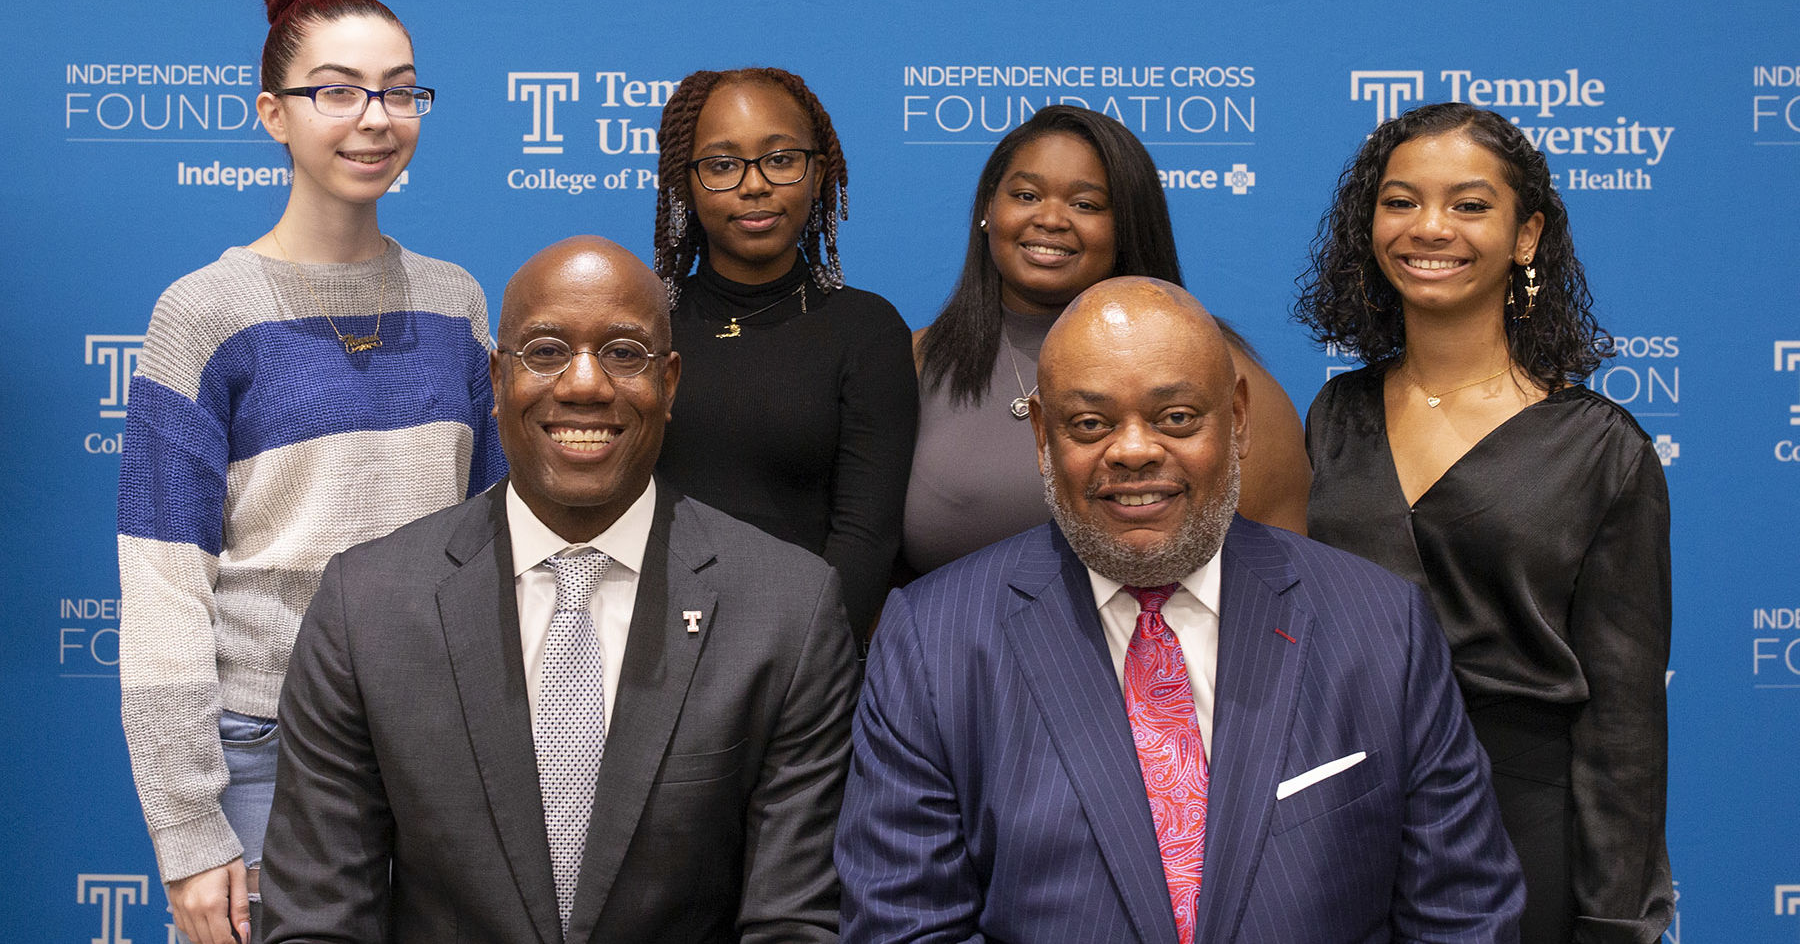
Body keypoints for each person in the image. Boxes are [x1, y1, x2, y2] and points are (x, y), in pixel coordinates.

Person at [839, 276, 1523, 943]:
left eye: (1175, 417)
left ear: (1240, 419)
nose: (1134, 450)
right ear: (1043, 435)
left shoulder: (1382, 627)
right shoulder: (933, 643)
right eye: (1090, 422)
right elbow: (905, 923)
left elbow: (1464, 914)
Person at [260, 236, 859, 943]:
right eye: (545, 351)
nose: (583, 384)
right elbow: (318, 920)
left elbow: (792, 922)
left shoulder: (787, 610)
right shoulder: (367, 606)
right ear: (495, 378)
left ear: (669, 383)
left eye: (623, 353)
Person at [115, 0, 504, 944]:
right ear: (273, 113)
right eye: (338, 93)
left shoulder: (457, 302)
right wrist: (190, 832)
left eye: (400, 92)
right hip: (264, 751)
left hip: (438, 744)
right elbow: (163, 585)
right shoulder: (202, 313)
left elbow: (497, 543)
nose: (377, 119)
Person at [1294, 102, 1672, 942]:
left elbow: (1626, 724)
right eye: (1401, 201)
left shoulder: (1601, 449)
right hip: (1340, 817)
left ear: (1526, 234)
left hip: (1519, 834)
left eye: (1469, 205)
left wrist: (1615, 922)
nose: (1430, 228)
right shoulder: (1335, 413)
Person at [904, 105, 1309, 578]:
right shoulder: (912, 362)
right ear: (987, 211)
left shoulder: (1216, 369)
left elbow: (1281, 579)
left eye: (1086, 204)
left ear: (1127, 225)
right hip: (952, 649)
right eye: (1026, 194)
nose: (1051, 218)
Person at [651, 67, 917, 641]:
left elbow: (865, 537)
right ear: (685, 182)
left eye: (780, 159)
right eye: (722, 165)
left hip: (803, 660)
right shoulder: (643, 326)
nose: (754, 185)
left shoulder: (867, 330)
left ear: (817, 173)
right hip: (650, 647)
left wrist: (794, 662)